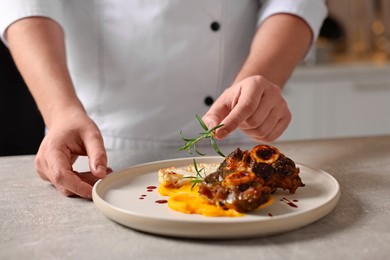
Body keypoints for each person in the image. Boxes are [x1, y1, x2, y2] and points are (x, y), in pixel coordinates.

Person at [0, 0, 327, 198]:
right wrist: (59, 111)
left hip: (234, 148)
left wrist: (256, 87)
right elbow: (28, 4)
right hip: (97, 151)